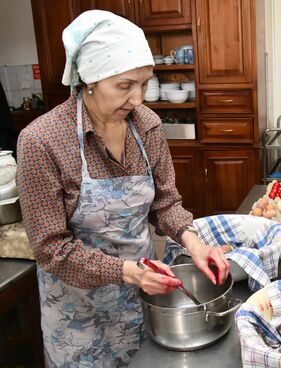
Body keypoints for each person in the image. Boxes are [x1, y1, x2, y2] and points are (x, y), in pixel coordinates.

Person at [16, 10, 230, 367]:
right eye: (125, 86)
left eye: (144, 84)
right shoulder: (41, 141)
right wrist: (128, 272)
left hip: (147, 299)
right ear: (91, 80)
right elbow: (50, 248)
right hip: (78, 315)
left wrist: (195, 242)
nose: (138, 100)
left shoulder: (146, 125)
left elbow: (165, 204)